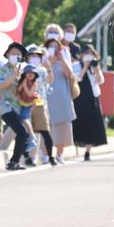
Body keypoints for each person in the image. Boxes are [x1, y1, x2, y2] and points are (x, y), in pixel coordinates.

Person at [0, 42, 34, 170]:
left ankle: (16, 160)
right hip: (7, 107)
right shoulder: (3, 69)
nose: (15, 56)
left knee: (22, 133)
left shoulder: (24, 71)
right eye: (13, 53)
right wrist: (13, 77)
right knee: (21, 132)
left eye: (18, 54)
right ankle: (14, 161)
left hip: (19, 107)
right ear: (7, 54)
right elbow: (0, 86)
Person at [43, 33, 76, 165]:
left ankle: (59, 155)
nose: (53, 49)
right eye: (50, 47)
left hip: (62, 95)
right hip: (47, 96)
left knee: (62, 125)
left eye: (56, 47)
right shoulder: (44, 59)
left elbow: (70, 75)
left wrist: (61, 58)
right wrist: (49, 62)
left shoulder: (64, 56)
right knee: (46, 125)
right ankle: (46, 154)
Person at [71, 43, 108, 161]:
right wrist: (85, 67)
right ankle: (76, 146)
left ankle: (88, 151)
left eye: (91, 53)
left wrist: (96, 70)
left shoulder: (95, 66)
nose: (89, 56)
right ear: (81, 55)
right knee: (80, 123)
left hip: (93, 98)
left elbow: (101, 81)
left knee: (93, 124)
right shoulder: (76, 65)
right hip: (80, 99)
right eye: (86, 53)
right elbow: (77, 78)